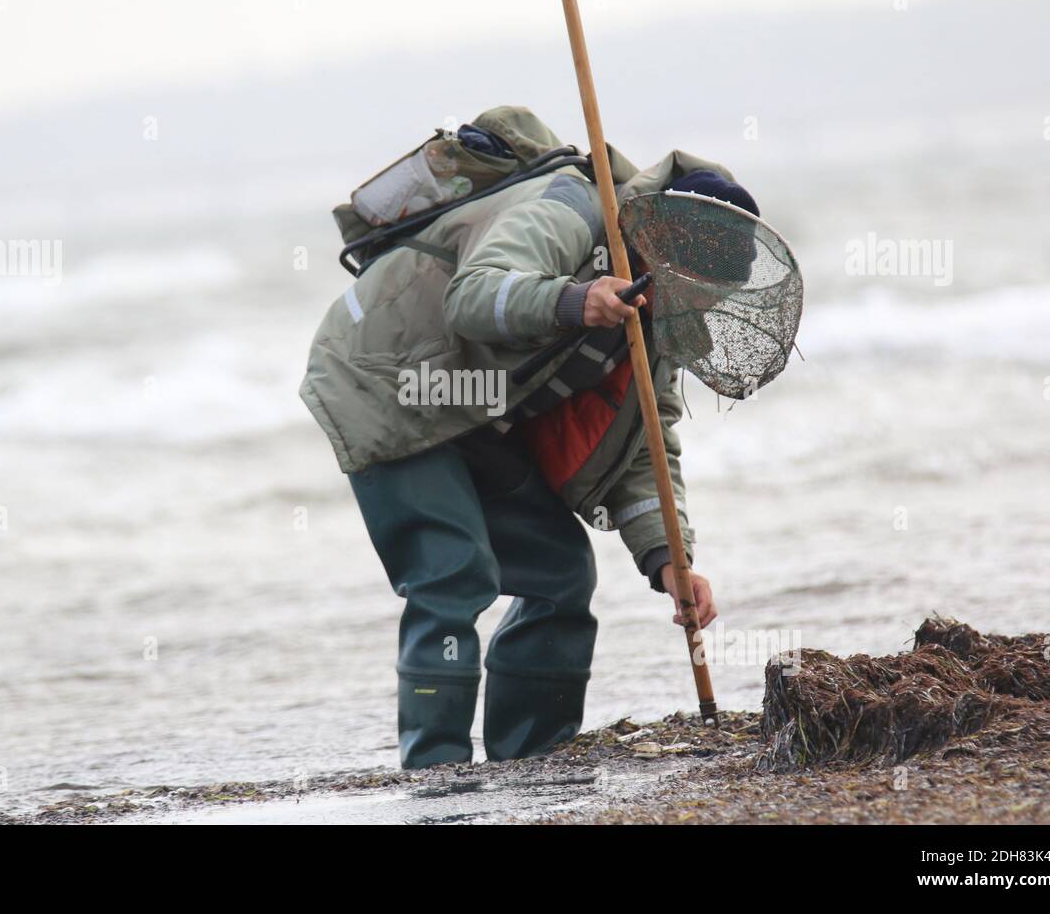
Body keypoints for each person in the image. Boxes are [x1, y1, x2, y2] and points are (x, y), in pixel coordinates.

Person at [300, 107, 759, 768]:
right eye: (688, 283)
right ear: (664, 242)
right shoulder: (568, 206)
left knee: (560, 571)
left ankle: (532, 763)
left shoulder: (657, 316)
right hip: (385, 377)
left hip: (473, 402)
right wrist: (575, 299)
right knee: (452, 573)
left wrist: (670, 560)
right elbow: (475, 295)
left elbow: (648, 450)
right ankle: (437, 776)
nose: (690, 302)